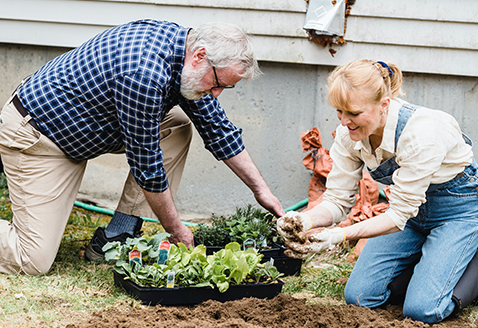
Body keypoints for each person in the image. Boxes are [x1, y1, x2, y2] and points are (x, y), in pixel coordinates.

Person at [0, 19, 284, 275]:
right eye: (219, 83)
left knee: (177, 125)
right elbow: (147, 167)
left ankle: (117, 234)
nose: (218, 93)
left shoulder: (185, 57)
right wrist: (176, 230)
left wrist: (262, 191)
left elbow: (218, 130)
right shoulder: (144, 73)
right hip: (39, 137)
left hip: (83, 130)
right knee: (32, 259)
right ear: (200, 56)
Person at [277, 59, 478, 324]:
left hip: (458, 213)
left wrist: (338, 235)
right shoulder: (349, 134)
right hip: (413, 216)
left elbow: (396, 218)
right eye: (339, 111)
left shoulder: (422, 133)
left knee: (422, 310)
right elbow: (337, 200)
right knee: (360, 297)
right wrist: (305, 220)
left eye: (354, 113)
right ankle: (430, 264)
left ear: (384, 105)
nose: (345, 121)